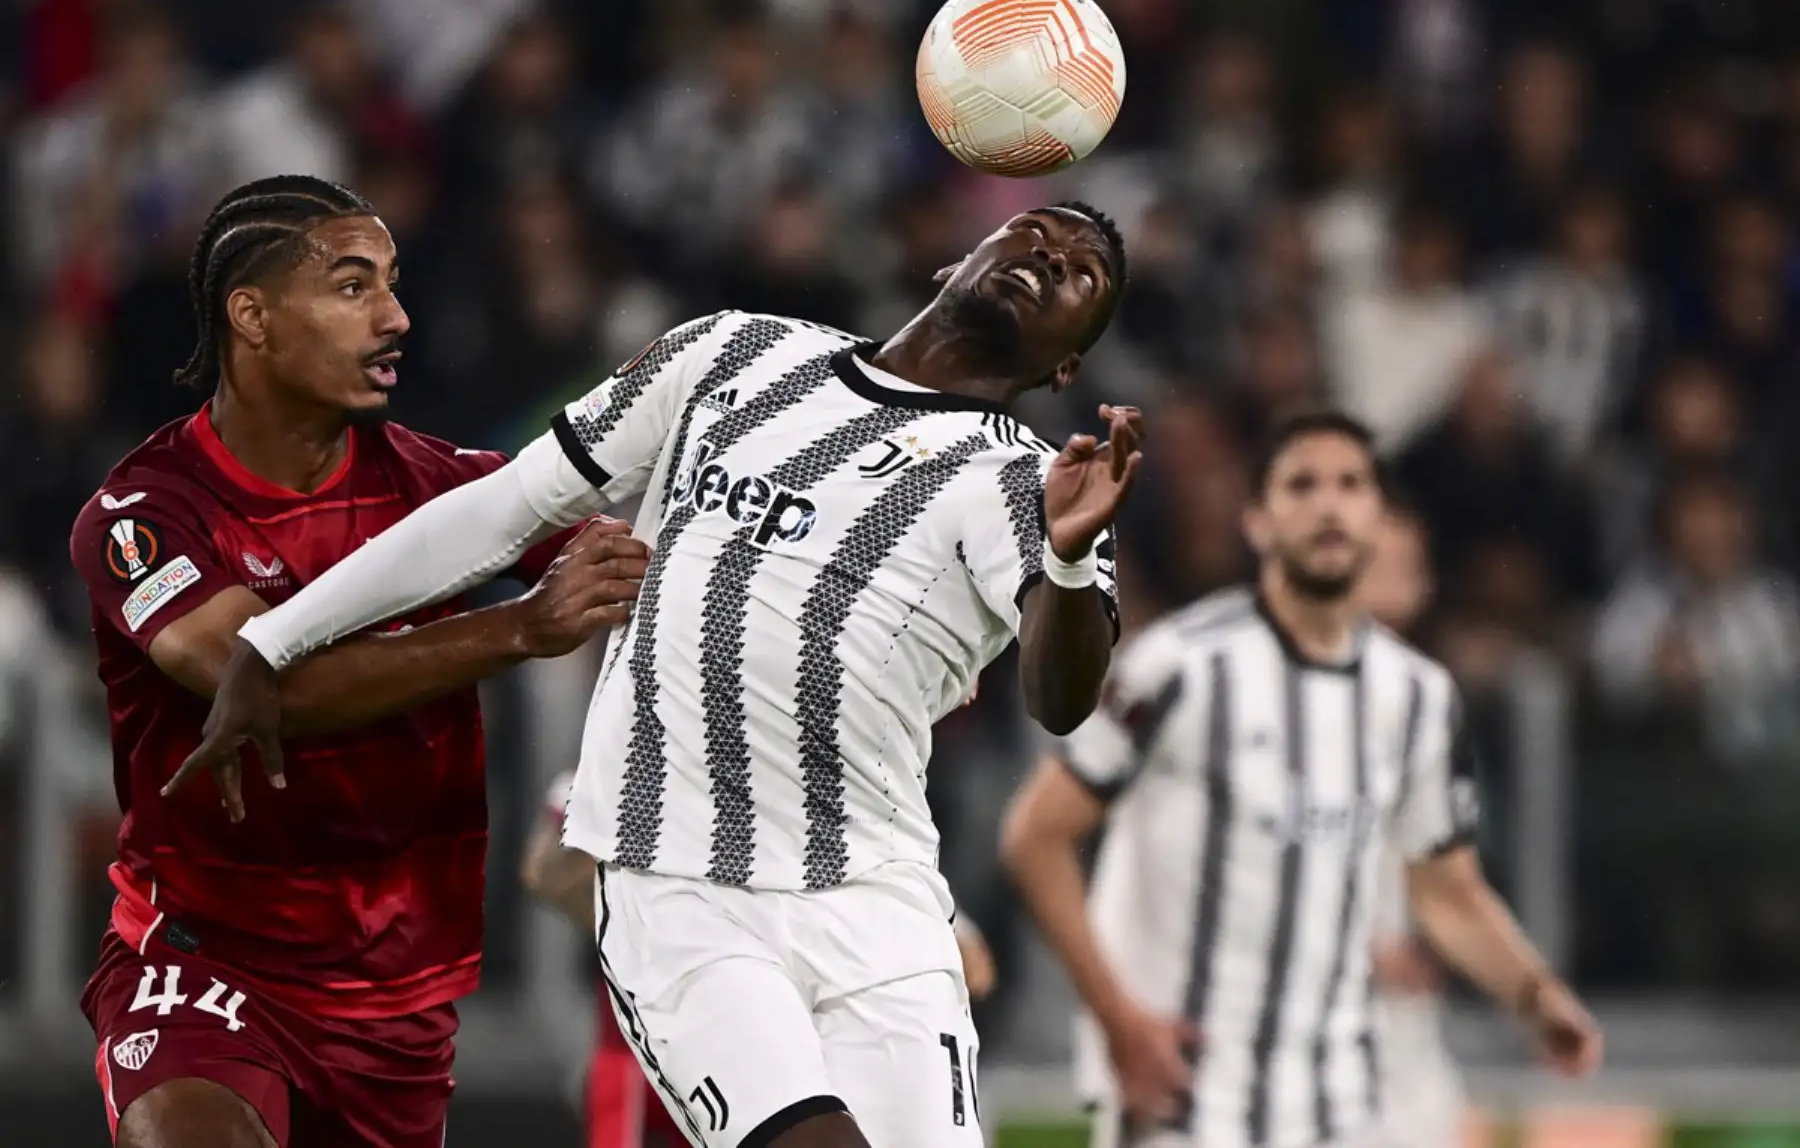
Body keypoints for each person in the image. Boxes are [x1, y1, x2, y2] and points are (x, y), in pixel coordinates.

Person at [180, 201, 1143, 1148]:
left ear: (1068, 365)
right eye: (1039, 234)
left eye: (1082, 273)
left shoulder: (1027, 482)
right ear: (955, 260)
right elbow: (503, 508)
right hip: (677, 887)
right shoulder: (735, 351)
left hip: (880, 905)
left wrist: (1065, 557)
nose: (1053, 259)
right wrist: (279, 639)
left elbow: (1060, 701)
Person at [74, 175, 649, 1148]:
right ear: (250, 315)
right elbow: (261, 681)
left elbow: (659, 572)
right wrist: (518, 628)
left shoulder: (450, 490)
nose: (395, 317)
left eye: (392, 284)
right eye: (352, 287)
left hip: (395, 1002)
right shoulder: (145, 516)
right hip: (204, 966)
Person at [1000, 411, 1601, 1148]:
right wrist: (1120, 1023)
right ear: (1257, 521)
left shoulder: (1416, 697)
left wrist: (1537, 996)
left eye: (1351, 484)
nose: (1328, 503)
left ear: (1380, 519)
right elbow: (1036, 837)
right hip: (1185, 1104)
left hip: (1340, 1109)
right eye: (1302, 484)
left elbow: (1447, 892)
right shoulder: (1180, 668)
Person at [522, 771, 1001, 1148]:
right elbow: (542, 872)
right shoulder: (629, 765)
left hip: (760, 1039)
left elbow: (977, 969)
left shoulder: (831, 818)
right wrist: (642, 914)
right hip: (639, 1044)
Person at [1355, 507, 1468, 1148]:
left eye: (1406, 567)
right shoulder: (1252, 689)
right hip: (1282, 1010)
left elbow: (1448, 872)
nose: (1391, 584)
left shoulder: (1426, 700)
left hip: (1401, 1020)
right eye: (1377, 564)